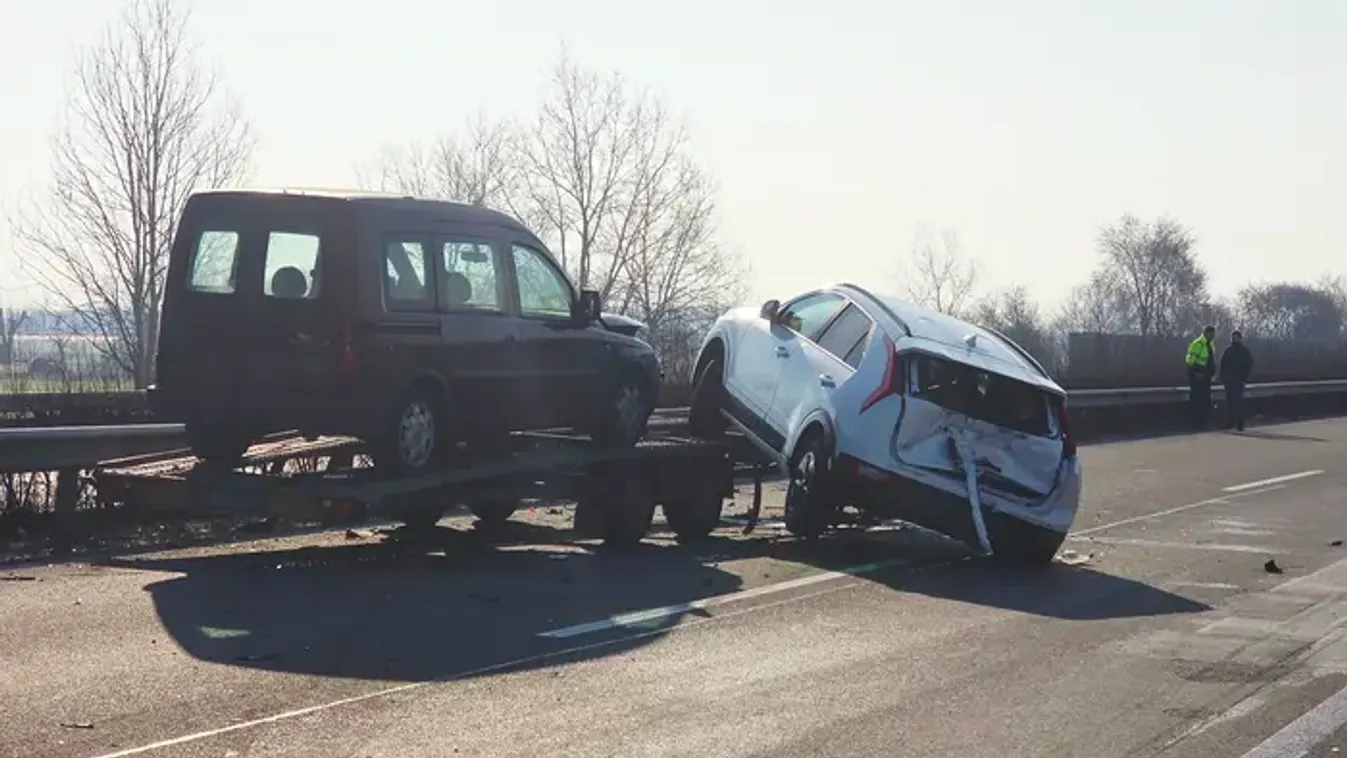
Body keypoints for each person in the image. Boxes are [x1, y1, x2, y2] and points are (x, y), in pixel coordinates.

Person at [1219, 329, 1254, 431]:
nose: (1233, 339)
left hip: (1239, 380)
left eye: (1235, 337)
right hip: (1229, 380)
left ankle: (1240, 423)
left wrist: (1244, 377)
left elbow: (1249, 365)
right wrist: (1222, 376)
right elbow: (1223, 363)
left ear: (1240, 338)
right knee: (1229, 402)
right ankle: (1230, 422)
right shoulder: (1228, 350)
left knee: (1237, 402)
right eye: (1232, 337)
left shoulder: (1244, 351)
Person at [1184, 325, 1217, 429]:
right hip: (1197, 375)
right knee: (1197, 400)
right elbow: (1190, 361)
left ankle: (1204, 423)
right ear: (1206, 333)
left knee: (1206, 400)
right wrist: (1196, 372)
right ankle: (1196, 423)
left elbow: (1211, 360)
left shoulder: (1210, 344)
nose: (1213, 336)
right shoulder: (1197, 344)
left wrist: (1212, 373)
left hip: (1206, 375)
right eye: (1211, 334)